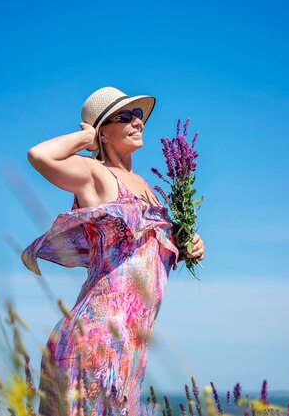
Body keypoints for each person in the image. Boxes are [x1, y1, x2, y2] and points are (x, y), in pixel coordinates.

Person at [21, 86, 205, 415]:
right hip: (97, 336)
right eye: (126, 116)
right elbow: (39, 155)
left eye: (139, 115)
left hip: (130, 345)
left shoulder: (149, 189)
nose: (138, 121)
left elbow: (147, 252)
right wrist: (84, 140)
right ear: (104, 131)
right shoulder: (97, 175)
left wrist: (188, 245)